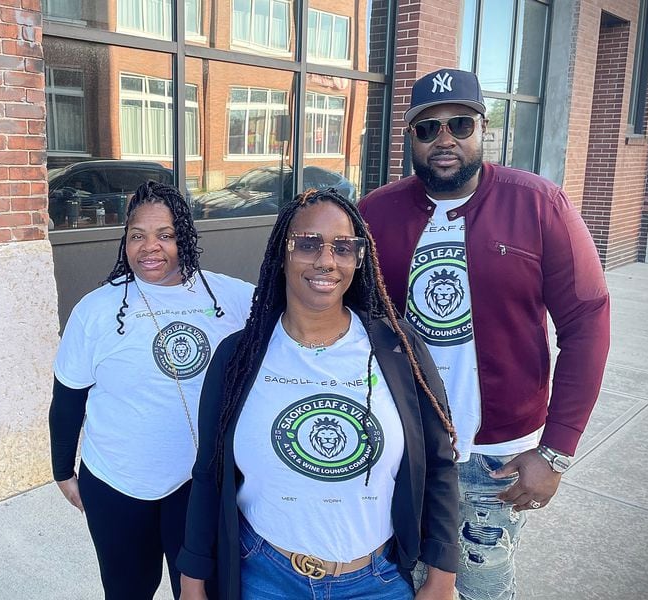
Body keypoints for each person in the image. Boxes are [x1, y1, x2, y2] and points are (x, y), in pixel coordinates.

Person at [359, 68, 611, 600]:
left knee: (481, 587)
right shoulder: (376, 212)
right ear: (410, 137)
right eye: (427, 129)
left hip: (497, 455)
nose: (444, 139)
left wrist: (556, 451)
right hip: (402, 443)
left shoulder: (539, 204)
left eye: (459, 124)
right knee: (394, 581)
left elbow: (587, 322)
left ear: (483, 128)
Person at [177, 188, 461, 600]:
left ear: (359, 259)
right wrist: (192, 582)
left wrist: (442, 577)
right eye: (307, 244)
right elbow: (208, 473)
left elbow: (438, 465)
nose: (326, 260)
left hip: (374, 582)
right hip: (264, 575)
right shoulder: (237, 358)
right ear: (282, 254)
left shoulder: (399, 351)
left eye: (343, 248)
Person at [49, 181, 254, 600]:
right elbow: (67, 397)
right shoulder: (95, 310)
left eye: (165, 235)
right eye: (137, 235)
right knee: (127, 591)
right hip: (115, 482)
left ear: (186, 236)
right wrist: (62, 470)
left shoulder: (232, 298)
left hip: (198, 485)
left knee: (201, 593)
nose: (150, 247)